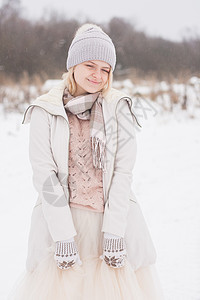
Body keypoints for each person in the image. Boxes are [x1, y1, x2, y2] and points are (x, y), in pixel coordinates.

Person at [8, 23, 165, 300]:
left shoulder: (119, 108)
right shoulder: (46, 110)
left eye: (105, 69)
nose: (98, 75)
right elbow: (45, 176)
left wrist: (115, 231)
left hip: (112, 223)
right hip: (63, 225)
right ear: (73, 65)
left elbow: (122, 173)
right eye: (90, 65)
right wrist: (63, 236)